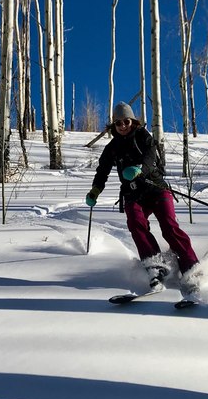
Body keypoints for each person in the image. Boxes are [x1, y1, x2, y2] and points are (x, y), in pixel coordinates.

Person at [85, 101, 201, 299]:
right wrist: (95, 190)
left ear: (134, 122)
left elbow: (150, 158)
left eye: (126, 121)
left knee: (169, 226)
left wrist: (140, 169)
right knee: (136, 224)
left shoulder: (143, 137)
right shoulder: (112, 148)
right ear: (113, 125)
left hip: (156, 189)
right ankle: (155, 267)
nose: (123, 126)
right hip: (133, 194)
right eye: (118, 123)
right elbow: (102, 170)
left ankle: (191, 268)